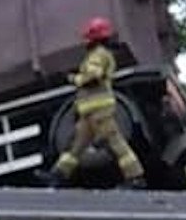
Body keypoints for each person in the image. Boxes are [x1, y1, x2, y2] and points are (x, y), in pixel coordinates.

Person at [40, 16, 146, 189]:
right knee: (76, 145)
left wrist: (73, 79)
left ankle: (135, 178)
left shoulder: (98, 55)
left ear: (94, 38)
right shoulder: (100, 54)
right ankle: (58, 175)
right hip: (89, 113)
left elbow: (93, 77)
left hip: (99, 111)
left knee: (115, 142)